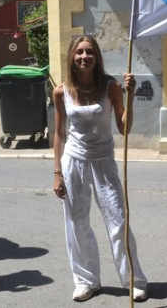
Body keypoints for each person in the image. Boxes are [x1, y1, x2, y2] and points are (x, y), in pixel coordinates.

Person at [52, 36, 148, 302]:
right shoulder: (61, 91)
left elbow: (123, 128)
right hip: (73, 163)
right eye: (80, 52)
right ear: (72, 56)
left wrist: (131, 97)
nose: (85, 57)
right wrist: (57, 173)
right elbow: (59, 133)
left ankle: (133, 280)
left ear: (97, 57)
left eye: (90, 52)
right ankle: (86, 281)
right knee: (77, 222)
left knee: (118, 220)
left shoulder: (111, 86)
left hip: (103, 161)